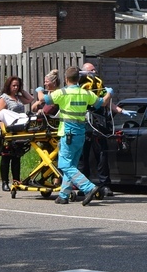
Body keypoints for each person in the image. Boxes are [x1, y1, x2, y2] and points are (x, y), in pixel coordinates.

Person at [42, 66, 112, 206]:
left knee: (64, 164)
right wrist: (109, 93)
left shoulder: (62, 93)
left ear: (66, 79)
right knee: (72, 164)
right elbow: (102, 103)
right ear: (78, 79)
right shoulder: (85, 93)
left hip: (68, 133)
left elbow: (45, 100)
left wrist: (39, 91)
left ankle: (89, 187)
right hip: (80, 134)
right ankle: (63, 195)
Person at [77, 61, 120, 197]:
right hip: (84, 125)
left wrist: (121, 110)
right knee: (83, 157)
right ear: (84, 72)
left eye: (95, 70)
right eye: (92, 70)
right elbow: (101, 101)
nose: (94, 72)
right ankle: (84, 186)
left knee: (102, 155)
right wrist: (108, 96)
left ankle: (104, 184)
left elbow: (106, 103)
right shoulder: (82, 87)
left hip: (98, 126)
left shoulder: (99, 86)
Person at [0, 75, 35, 191]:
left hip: (18, 131)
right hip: (7, 131)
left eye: (17, 85)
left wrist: (21, 90)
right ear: (9, 86)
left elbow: (30, 99)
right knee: (6, 157)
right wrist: (3, 131)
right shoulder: (4, 98)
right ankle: (4, 182)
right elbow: (0, 116)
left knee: (16, 157)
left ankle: (16, 181)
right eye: (13, 85)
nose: (15, 87)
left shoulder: (18, 98)